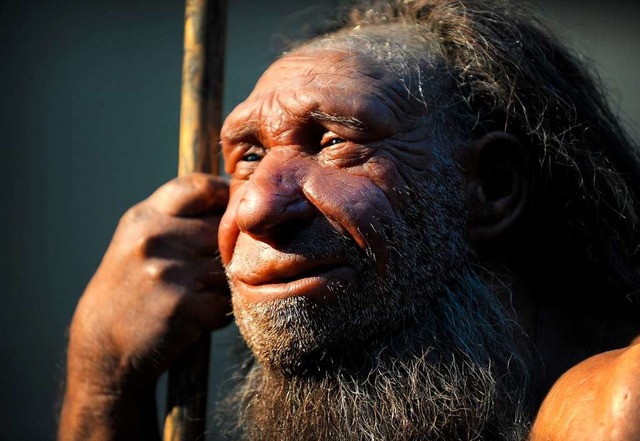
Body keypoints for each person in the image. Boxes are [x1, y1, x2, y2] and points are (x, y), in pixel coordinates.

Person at [58, 0, 640, 439]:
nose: (257, 208)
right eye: (250, 156)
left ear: (492, 187)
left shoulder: (612, 408)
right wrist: (105, 377)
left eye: (334, 141)